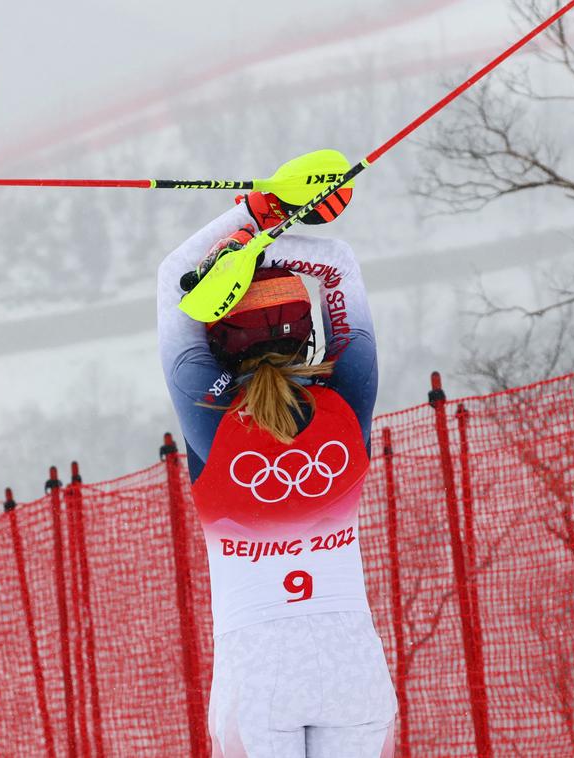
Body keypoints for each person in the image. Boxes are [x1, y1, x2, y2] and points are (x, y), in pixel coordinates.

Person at [157, 191, 397, 758]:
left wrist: (256, 214)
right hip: (351, 663)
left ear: (219, 338)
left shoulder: (208, 410)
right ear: (305, 329)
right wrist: (279, 218)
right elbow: (338, 264)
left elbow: (174, 280)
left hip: (257, 668)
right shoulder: (348, 393)